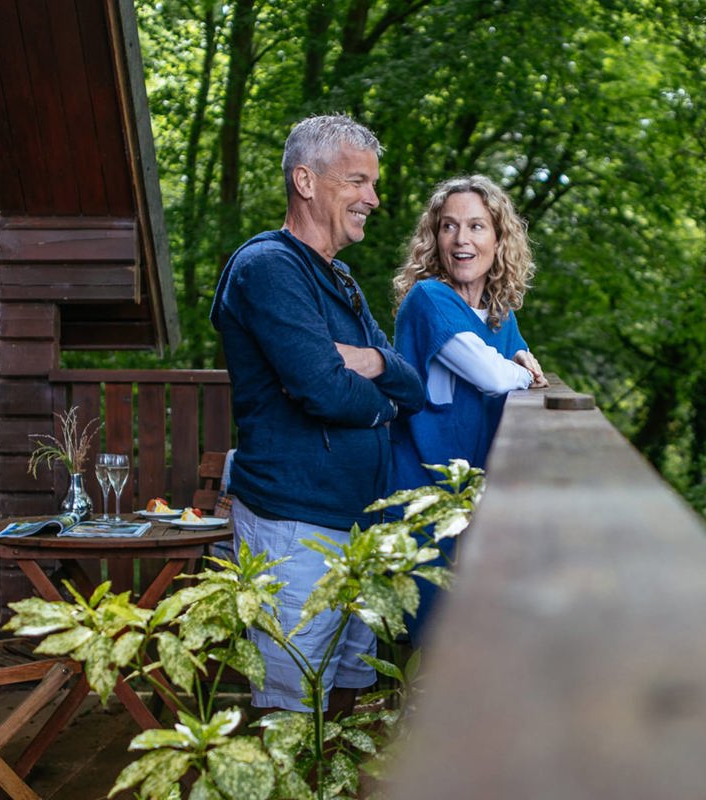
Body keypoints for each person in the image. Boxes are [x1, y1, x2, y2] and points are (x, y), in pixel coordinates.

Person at [210, 114, 424, 717]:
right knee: (292, 705)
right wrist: (381, 399)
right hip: (294, 524)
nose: (373, 199)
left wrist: (372, 363)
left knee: (348, 688)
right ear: (306, 180)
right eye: (357, 181)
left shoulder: (342, 279)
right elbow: (322, 391)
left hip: (354, 525)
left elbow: (410, 379)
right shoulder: (269, 267)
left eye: (373, 184)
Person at [390, 175, 548, 644]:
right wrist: (518, 368)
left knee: (472, 643)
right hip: (421, 499)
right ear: (434, 238)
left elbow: (523, 372)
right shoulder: (429, 299)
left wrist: (520, 367)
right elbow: (500, 376)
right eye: (449, 226)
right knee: (428, 647)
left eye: (477, 227)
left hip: (475, 504)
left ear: (499, 239)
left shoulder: (501, 317)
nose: (462, 240)